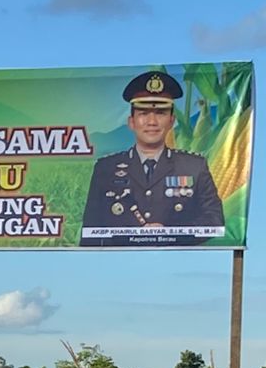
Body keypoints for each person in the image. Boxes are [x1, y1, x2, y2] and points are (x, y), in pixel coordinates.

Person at [79, 70, 224, 241]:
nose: (152, 122)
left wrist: (170, 233)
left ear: (172, 121)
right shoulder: (106, 169)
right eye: (143, 113)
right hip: (121, 257)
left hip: (177, 256)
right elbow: (89, 232)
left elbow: (215, 222)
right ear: (131, 122)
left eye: (160, 113)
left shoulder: (194, 167)